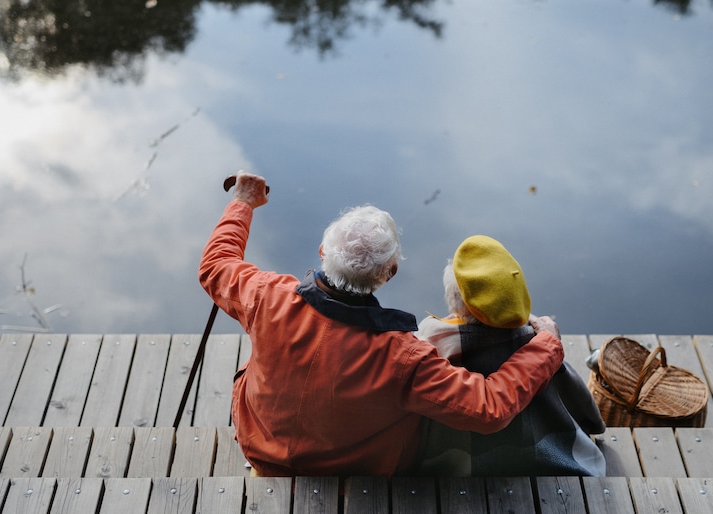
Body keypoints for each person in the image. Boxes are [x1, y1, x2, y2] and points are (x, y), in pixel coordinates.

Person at [198, 171, 565, 477]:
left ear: (323, 252)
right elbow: (489, 409)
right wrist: (545, 345)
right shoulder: (404, 357)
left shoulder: (266, 296)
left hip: (260, 449)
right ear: (391, 273)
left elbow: (215, 265)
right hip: (358, 471)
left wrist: (242, 202)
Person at [414, 235, 606, 477]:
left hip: (459, 467)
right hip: (541, 459)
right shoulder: (538, 344)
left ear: (454, 299)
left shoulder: (433, 341)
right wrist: (594, 424)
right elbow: (579, 403)